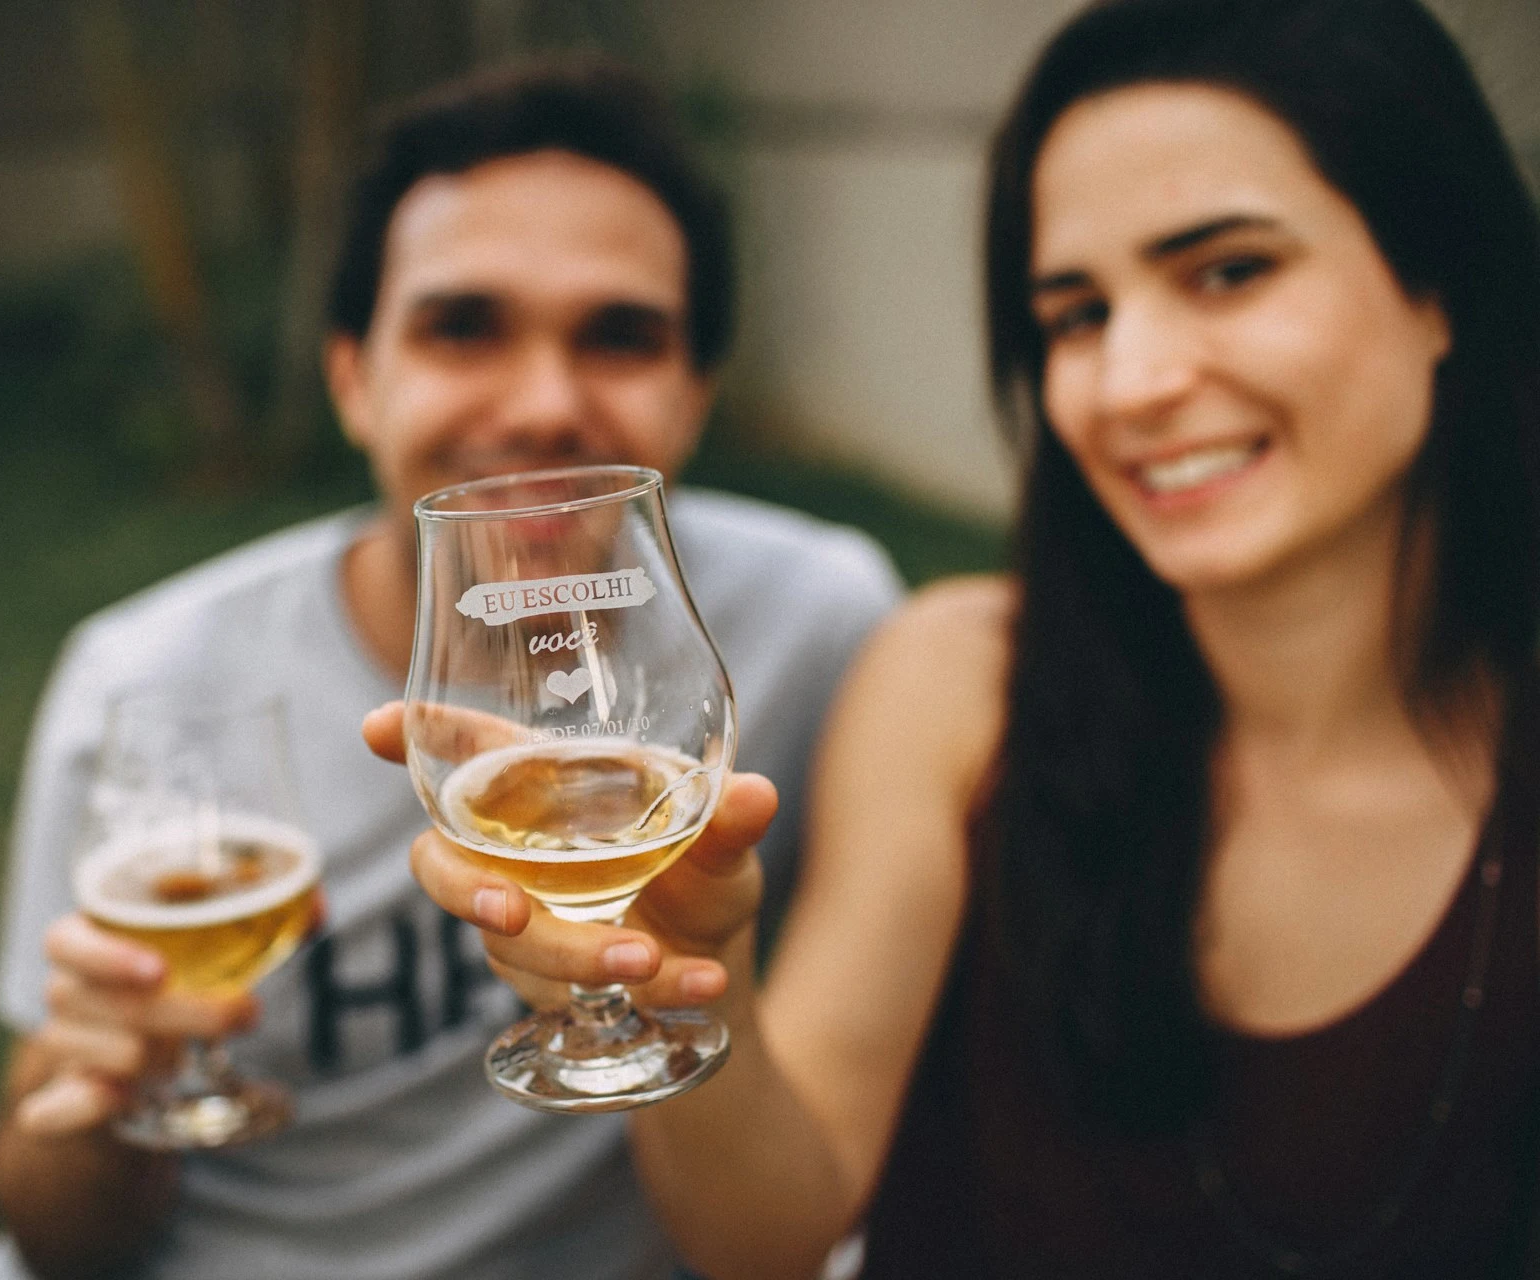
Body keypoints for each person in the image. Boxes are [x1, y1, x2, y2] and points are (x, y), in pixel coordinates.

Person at [390, 1, 1540, 1275]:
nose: (1137, 376)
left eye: (1229, 270)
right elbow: (770, 1231)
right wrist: (677, 973)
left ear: (1440, 284)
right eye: (1075, 314)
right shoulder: (957, 685)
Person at [0, 57, 902, 1280]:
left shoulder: (817, 620)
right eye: (464, 325)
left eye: (621, 336)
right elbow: (52, 1236)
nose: (544, 403)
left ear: (697, 394)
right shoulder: (147, 676)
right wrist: (96, 1095)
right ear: (353, 376)